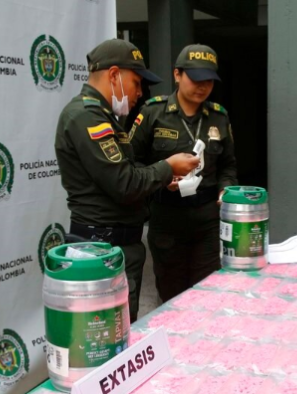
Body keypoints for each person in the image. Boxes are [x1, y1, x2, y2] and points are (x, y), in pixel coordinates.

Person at [55, 38, 200, 323]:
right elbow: (124, 184)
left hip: (115, 246)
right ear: (113, 75)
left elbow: (125, 176)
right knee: (109, 343)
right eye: (136, 82)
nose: (139, 93)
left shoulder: (106, 118)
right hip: (102, 249)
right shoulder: (87, 117)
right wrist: (167, 168)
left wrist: (162, 179)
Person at [132, 44, 238, 303]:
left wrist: (226, 189)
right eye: (196, 78)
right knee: (172, 295)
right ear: (177, 74)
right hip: (167, 218)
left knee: (208, 293)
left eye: (209, 81)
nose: (203, 86)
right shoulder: (152, 113)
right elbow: (131, 165)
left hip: (208, 220)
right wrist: (162, 177)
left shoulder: (219, 117)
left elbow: (228, 166)